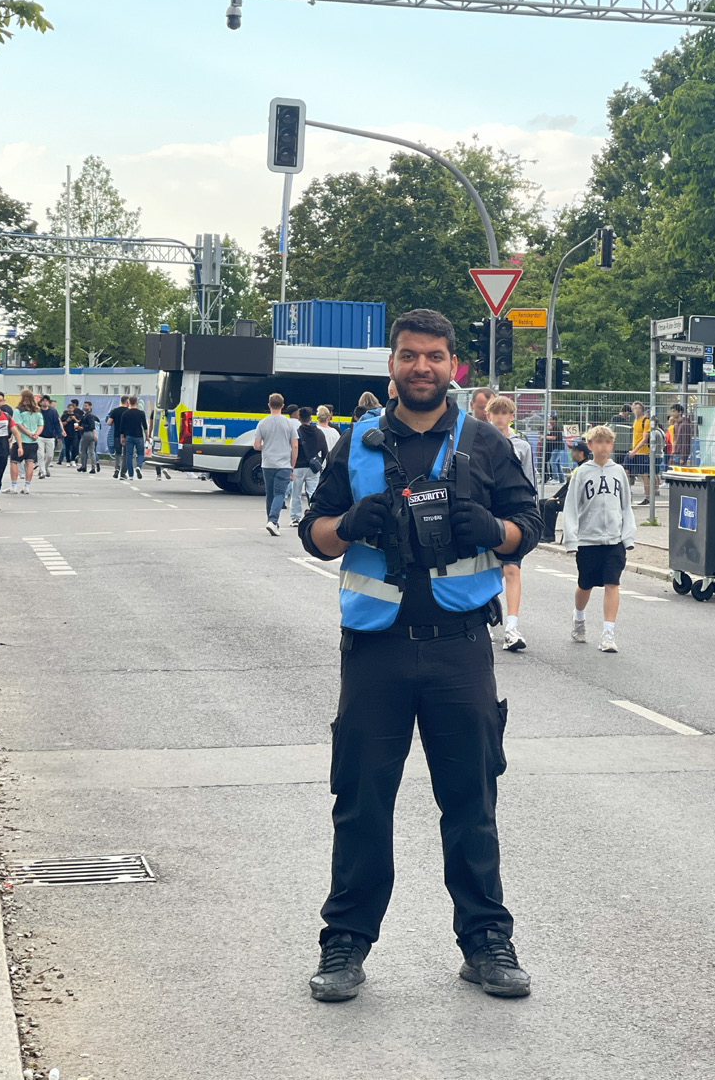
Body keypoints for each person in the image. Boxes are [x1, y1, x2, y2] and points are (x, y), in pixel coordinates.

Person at [300, 308, 541, 1003]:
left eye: (434, 356)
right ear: (392, 365)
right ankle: (345, 944)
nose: (422, 367)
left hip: (458, 650)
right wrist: (348, 525)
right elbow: (313, 533)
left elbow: (530, 525)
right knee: (361, 802)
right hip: (374, 652)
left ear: (452, 366)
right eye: (409, 355)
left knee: (471, 802)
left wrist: (492, 529)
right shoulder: (358, 442)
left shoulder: (486, 442)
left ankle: (486, 942)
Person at [562, 425, 635, 653]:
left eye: (607, 442)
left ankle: (608, 633)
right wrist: (571, 539)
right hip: (588, 540)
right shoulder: (582, 473)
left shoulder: (618, 472)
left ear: (611, 445)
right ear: (590, 446)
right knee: (585, 584)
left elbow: (626, 506)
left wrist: (627, 536)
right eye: (598, 442)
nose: (603, 446)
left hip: (614, 540)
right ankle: (579, 617)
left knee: (612, 583)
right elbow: (571, 507)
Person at [485, 395, 535, 652]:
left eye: (505, 413)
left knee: (512, 568)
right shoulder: (480, 442)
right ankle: (486, 617)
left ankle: (512, 627)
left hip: (513, 513)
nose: (501, 417)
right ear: (488, 416)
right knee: (489, 569)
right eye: (496, 413)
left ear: (512, 417)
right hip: (488, 512)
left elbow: (529, 480)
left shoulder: (521, 446)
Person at [253, 392, 298, 536]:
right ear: (283, 406)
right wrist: (292, 464)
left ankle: (271, 522)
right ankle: (273, 521)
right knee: (280, 493)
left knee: (270, 494)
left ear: (269, 405)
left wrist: (266, 447)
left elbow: (256, 445)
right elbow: (295, 445)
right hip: (284, 464)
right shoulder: (289, 423)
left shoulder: (263, 423)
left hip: (267, 463)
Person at [539, 436, 591, 542]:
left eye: (574, 451)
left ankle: (549, 536)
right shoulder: (578, 468)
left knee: (550, 505)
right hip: (568, 497)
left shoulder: (584, 469)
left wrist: (558, 499)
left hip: (575, 501)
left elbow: (573, 489)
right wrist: (554, 496)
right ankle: (543, 534)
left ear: (581, 453)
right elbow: (567, 486)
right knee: (542, 502)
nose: (571, 453)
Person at [290, 406, 329, 526]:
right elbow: (325, 450)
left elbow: (293, 448)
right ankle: (314, 515)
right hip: (313, 468)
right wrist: (319, 463)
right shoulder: (319, 432)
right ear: (311, 418)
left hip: (298, 466)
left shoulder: (297, 432)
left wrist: (291, 465)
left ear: (299, 418)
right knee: (312, 492)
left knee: (296, 493)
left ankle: (295, 518)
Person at [9, 389, 43, 494]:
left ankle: (14, 486)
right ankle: (27, 486)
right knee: (30, 462)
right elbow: (41, 425)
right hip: (33, 442)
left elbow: (17, 424)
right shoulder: (37, 411)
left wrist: (28, 434)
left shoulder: (18, 410)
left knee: (14, 462)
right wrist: (36, 434)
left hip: (20, 440)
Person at [625, 401, 652, 504]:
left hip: (642, 452)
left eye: (638, 408)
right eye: (634, 408)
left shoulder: (646, 421)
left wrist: (635, 450)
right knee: (625, 471)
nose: (636, 410)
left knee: (643, 474)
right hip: (633, 450)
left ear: (642, 409)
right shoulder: (635, 421)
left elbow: (645, 438)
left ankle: (647, 497)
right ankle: (628, 494)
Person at [118, 396, 148, 480]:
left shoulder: (125, 413)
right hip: (139, 436)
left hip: (129, 436)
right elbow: (145, 426)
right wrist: (147, 436)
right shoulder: (141, 413)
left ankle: (130, 475)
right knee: (141, 453)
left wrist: (122, 437)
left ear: (129, 402)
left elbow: (122, 427)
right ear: (136, 402)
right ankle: (138, 466)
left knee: (129, 455)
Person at [37, 395, 64, 479]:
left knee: (49, 456)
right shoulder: (37, 412)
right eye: (43, 401)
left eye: (46, 401)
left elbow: (57, 424)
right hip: (39, 436)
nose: (45, 402)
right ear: (41, 402)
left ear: (49, 403)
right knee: (40, 455)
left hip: (51, 437)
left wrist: (59, 435)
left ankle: (44, 468)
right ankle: (42, 472)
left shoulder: (53, 412)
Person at [107, 394, 129, 479]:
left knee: (118, 453)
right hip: (127, 435)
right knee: (126, 454)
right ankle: (123, 473)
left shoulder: (115, 411)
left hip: (116, 435)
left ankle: (117, 468)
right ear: (127, 401)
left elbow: (109, 422)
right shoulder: (128, 411)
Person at [77, 400, 99, 473]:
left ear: (90, 407)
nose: (84, 407)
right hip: (91, 434)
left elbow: (91, 426)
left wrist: (82, 428)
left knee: (83, 451)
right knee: (92, 451)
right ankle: (93, 467)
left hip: (87, 433)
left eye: (86, 406)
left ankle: (83, 466)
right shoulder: (86, 415)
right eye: (84, 405)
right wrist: (94, 434)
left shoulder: (89, 415)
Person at [60, 399, 83, 466]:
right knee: (67, 447)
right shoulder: (64, 415)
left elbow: (78, 424)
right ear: (67, 408)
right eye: (69, 408)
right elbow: (62, 424)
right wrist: (67, 420)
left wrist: (74, 419)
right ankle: (68, 460)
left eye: (71, 408)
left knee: (74, 447)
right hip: (67, 433)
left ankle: (73, 460)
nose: (70, 409)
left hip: (74, 433)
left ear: (73, 409)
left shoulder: (76, 415)